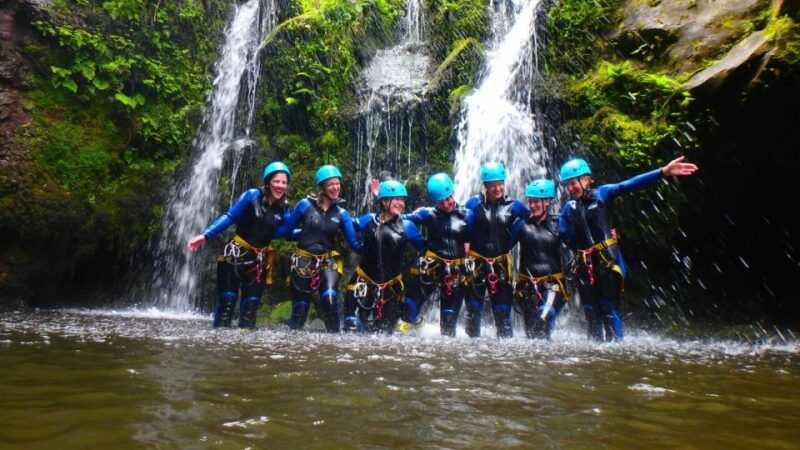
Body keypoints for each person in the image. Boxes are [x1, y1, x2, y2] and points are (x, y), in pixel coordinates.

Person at [559, 156, 698, 341]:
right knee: (591, 313)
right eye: (567, 185)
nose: (570, 188)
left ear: (586, 179)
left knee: (608, 309)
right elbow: (564, 235)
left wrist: (662, 172)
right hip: (586, 265)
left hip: (608, 261)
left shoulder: (603, 194)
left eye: (573, 183)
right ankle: (593, 359)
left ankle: (615, 353)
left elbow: (629, 185)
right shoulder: (569, 208)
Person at [187, 162, 292, 329]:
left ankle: (243, 348)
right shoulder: (251, 195)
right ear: (267, 182)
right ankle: (219, 343)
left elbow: (286, 233)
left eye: (284, 182)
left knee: (251, 304)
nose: (280, 186)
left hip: (258, 260)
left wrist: (313, 229)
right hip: (235, 254)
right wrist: (206, 235)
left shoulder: (284, 208)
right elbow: (229, 217)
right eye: (276, 181)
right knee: (227, 300)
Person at [275, 164, 362, 332]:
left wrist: (375, 238)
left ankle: (335, 337)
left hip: (328, 261)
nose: (335, 187)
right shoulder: (304, 205)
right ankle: (294, 341)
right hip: (303, 259)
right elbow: (287, 233)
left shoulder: (342, 214)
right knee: (300, 306)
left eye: (337, 184)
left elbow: (355, 244)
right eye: (330, 184)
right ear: (322, 186)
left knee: (330, 298)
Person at [343, 180, 425, 334]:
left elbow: (424, 249)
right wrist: (356, 245)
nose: (401, 203)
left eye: (402, 199)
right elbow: (346, 223)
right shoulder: (368, 220)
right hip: (363, 284)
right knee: (351, 327)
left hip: (390, 290)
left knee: (384, 337)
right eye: (397, 199)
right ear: (385, 201)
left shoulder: (408, 227)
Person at [401, 173, 474, 336]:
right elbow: (401, 219)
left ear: (453, 193)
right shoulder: (427, 214)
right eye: (441, 202)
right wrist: (419, 243)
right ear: (436, 202)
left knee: (448, 325)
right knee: (408, 310)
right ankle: (419, 327)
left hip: (455, 271)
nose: (446, 204)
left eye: (448, 198)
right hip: (431, 268)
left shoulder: (467, 215)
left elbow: (473, 238)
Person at [464, 162, 529, 338]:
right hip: (477, 264)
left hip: (500, 265)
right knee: (473, 310)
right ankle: (471, 350)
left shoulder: (514, 206)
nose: (497, 188)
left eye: (500, 183)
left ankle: (505, 351)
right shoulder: (473, 204)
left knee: (502, 312)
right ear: (485, 186)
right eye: (493, 184)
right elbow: (458, 222)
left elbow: (535, 219)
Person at [512, 179, 569, 339]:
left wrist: (610, 237)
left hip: (554, 286)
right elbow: (501, 245)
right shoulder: (521, 225)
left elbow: (579, 242)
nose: (532, 205)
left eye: (536, 201)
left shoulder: (559, 224)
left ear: (548, 202)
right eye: (530, 201)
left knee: (543, 321)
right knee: (531, 333)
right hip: (526, 286)